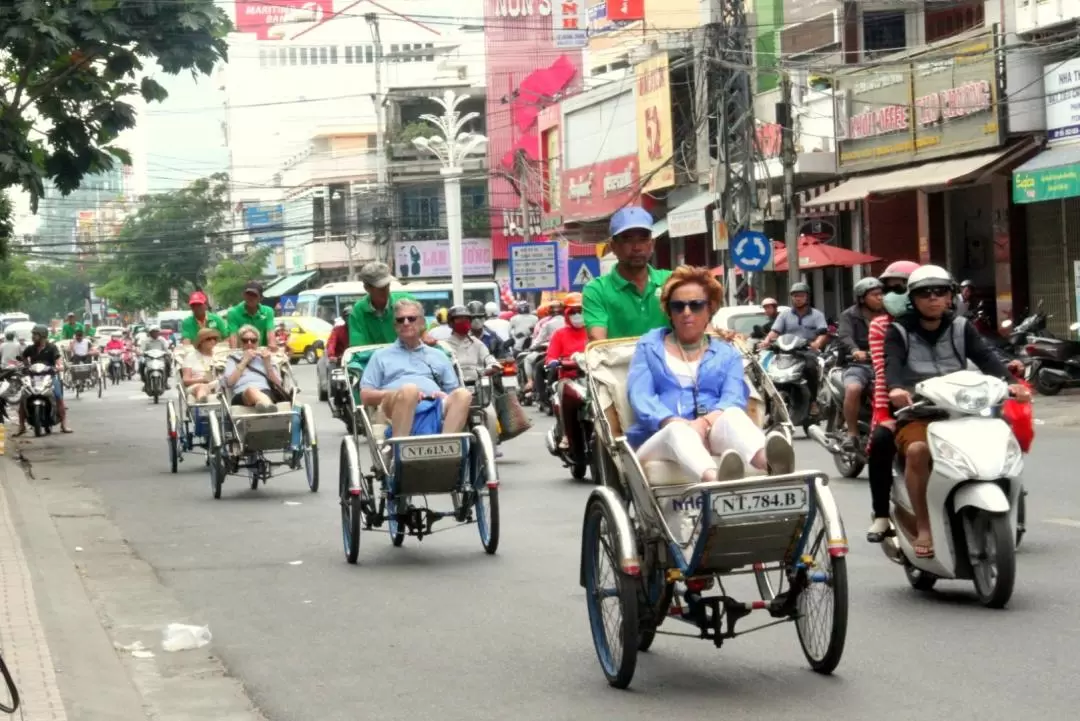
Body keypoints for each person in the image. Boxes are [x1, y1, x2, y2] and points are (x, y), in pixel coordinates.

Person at [626, 267, 794, 538]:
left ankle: (772, 463)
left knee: (735, 416)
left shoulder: (726, 353)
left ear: (710, 309)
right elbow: (641, 397)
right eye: (678, 306)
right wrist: (677, 421)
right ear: (669, 311)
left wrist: (704, 423)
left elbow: (733, 397)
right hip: (659, 438)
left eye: (696, 305)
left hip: (711, 429)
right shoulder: (649, 347)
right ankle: (716, 484)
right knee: (678, 431)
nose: (687, 313)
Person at [883, 265, 1029, 559]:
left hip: (964, 409)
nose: (934, 298)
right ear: (913, 298)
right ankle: (924, 525)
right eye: (925, 293)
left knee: (1002, 438)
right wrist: (897, 389)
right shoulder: (899, 331)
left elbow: (987, 359)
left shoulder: (963, 327)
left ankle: (1011, 507)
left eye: (941, 292)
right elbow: (892, 366)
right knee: (917, 451)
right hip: (921, 411)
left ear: (950, 296)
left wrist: (1012, 384)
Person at [359, 298, 472, 438]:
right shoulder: (380, 356)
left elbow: (453, 392)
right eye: (400, 320)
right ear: (395, 326)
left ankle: (446, 446)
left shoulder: (438, 355)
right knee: (410, 390)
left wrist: (443, 395)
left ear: (422, 323)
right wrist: (397, 394)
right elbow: (365, 396)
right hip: (393, 408)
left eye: (411, 318)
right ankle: (400, 448)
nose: (406, 323)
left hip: (434, 406)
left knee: (463, 394)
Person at [866, 260, 920, 542]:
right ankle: (881, 515)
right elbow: (883, 370)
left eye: (901, 287)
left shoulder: (944, 320)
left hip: (947, 402)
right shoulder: (881, 327)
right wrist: (886, 412)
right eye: (889, 288)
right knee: (882, 442)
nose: (893, 294)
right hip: (900, 406)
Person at [583, 207, 671, 341]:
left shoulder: (671, 281)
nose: (637, 247)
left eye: (643, 239)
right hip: (620, 362)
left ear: (652, 244)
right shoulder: (597, 290)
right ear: (613, 246)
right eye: (627, 239)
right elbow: (598, 340)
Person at [758, 282, 829, 411]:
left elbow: (823, 334)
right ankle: (769, 408)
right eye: (795, 296)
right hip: (787, 352)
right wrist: (767, 340)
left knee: (810, 368)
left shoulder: (817, 315)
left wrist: (817, 343)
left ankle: (813, 401)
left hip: (807, 351)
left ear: (807, 297)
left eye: (801, 295)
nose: (798, 298)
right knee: (770, 372)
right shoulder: (784, 315)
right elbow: (775, 331)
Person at [835, 277, 885, 452]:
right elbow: (845, 336)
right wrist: (855, 350)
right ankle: (852, 433)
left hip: (885, 363)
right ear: (862, 298)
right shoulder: (849, 315)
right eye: (875, 295)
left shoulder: (888, 313)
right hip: (859, 365)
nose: (880, 298)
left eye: (881, 294)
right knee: (853, 388)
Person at [443, 305, 501, 445]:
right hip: (456, 389)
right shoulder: (444, 345)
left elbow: (488, 358)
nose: (464, 322)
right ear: (451, 323)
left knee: (491, 415)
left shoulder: (477, 343)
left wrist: (492, 366)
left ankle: (491, 446)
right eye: (459, 319)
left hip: (478, 387)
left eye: (466, 319)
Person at [545, 296, 589, 450]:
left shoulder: (593, 330)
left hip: (591, 377)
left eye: (581, 311)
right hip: (567, 378)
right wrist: (554, 362)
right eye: (573, 312)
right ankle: (566, 435)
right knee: (564, 401)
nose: (577, 315)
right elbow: (551, 356)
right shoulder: (560, 334)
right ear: (567, 313)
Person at [17, 325, 71, 434]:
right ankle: (22, 426)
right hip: (33, 377)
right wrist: (25, 365)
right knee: (23, 397)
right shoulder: (30, 348)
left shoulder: (51, 347)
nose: (33, 337)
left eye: (35, 334)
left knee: (58, 396)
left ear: (42, 336)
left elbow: (58, 359)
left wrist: (59, 366)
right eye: (33, 334)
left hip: (49, 376)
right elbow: (23, 357)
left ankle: (64, 425)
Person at [222, 325, 285, 413]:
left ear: (257, 342)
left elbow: (278, 384)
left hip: (265, 391)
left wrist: (267, 364)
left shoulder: (265, 357)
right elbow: (229, 382)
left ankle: (264, 405)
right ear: (240, 342)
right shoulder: (233, 358)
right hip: (241, 395)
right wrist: (244, 361)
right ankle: (269, 407)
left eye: (253, 340)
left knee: (258, 393)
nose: (249, 343)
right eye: (245, 340)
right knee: (250, 390)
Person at [225, 282, 278, 350]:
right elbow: (233, 337)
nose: (250, 297)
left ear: (261, 298)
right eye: (248, 294)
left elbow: (270, 333)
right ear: (243, 295)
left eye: (254, 295)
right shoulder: (233, 313)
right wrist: (234, 354)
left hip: (262, 352)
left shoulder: (268, 311)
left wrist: (272, 347)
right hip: (242, 352)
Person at [182, 328, 221, 403]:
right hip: (196, 385)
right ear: (201, 342)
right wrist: (201, 380)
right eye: (209, 339)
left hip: (217, 384)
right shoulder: (191, 356)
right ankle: (201, 405)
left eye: (215, 338)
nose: (213, 341)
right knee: (202, 387)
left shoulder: (219, 355)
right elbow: (186, 380)